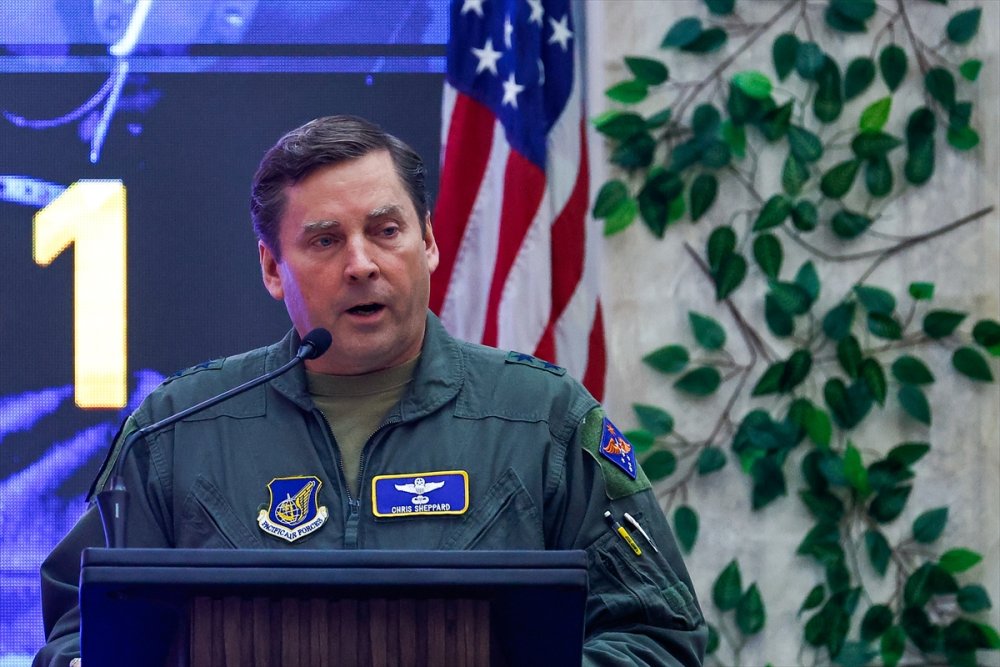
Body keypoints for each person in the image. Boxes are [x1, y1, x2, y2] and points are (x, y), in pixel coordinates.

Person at [34, 115, 707, 666]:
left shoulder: (543, 419)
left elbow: (657, 636)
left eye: (386, 231)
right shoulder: (177, 430)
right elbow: (79, 633)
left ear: (429, 240)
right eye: (325, 240)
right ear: (272, 267)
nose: (361, 264)